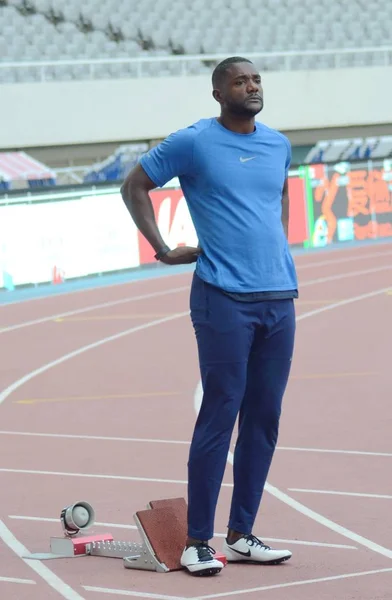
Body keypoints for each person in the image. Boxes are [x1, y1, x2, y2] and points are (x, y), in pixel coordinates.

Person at [120, 56, 298, 577]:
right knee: (221, 411)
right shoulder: (194, 142)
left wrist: (275, 252)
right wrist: (162, 247)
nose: (252, 85)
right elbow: (134, 185)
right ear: (219, 92)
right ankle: (198, 540)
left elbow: (279, 197)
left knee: (264, 420)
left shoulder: (278, 144)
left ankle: (242, 533)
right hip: (222, 297)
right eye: (241, 80)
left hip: (279, 296)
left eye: (257, 78)